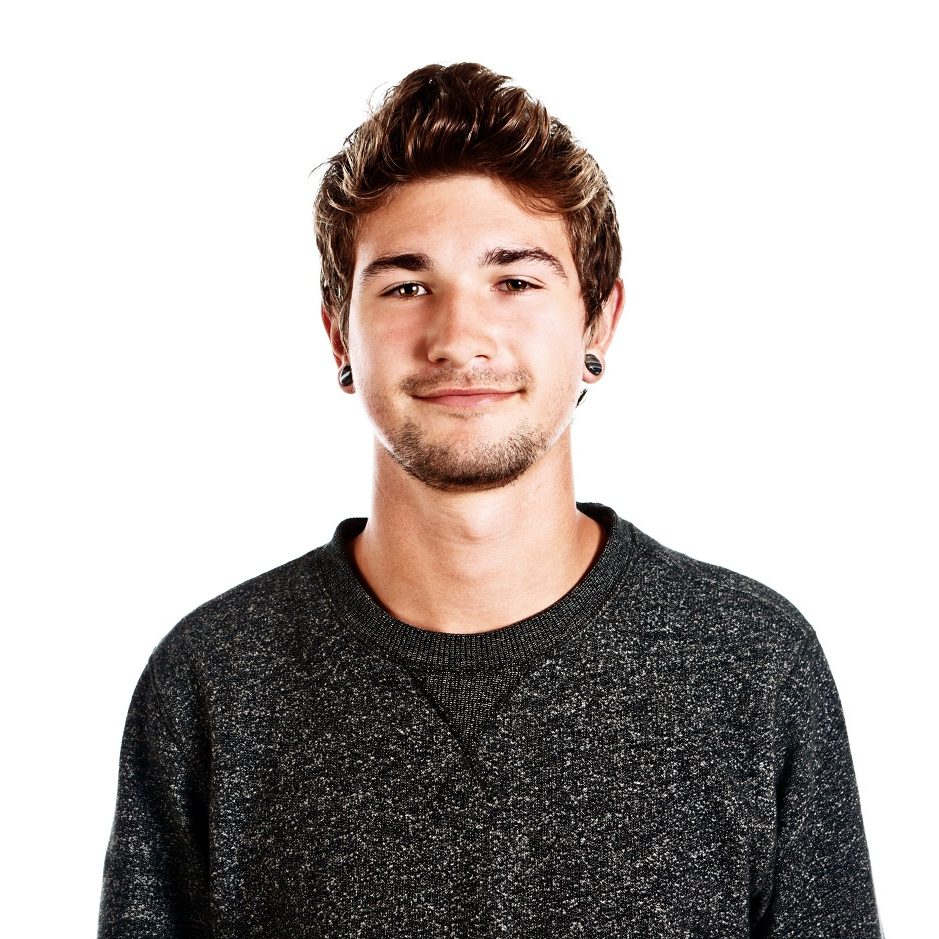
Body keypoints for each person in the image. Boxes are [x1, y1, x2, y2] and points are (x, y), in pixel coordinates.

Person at [98, 63, 882, 937]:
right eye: (405, 285)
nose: (459, 336)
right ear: (337, 332)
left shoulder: (752, 663)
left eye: (513, 280)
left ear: (597, 323)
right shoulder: (213, 681)